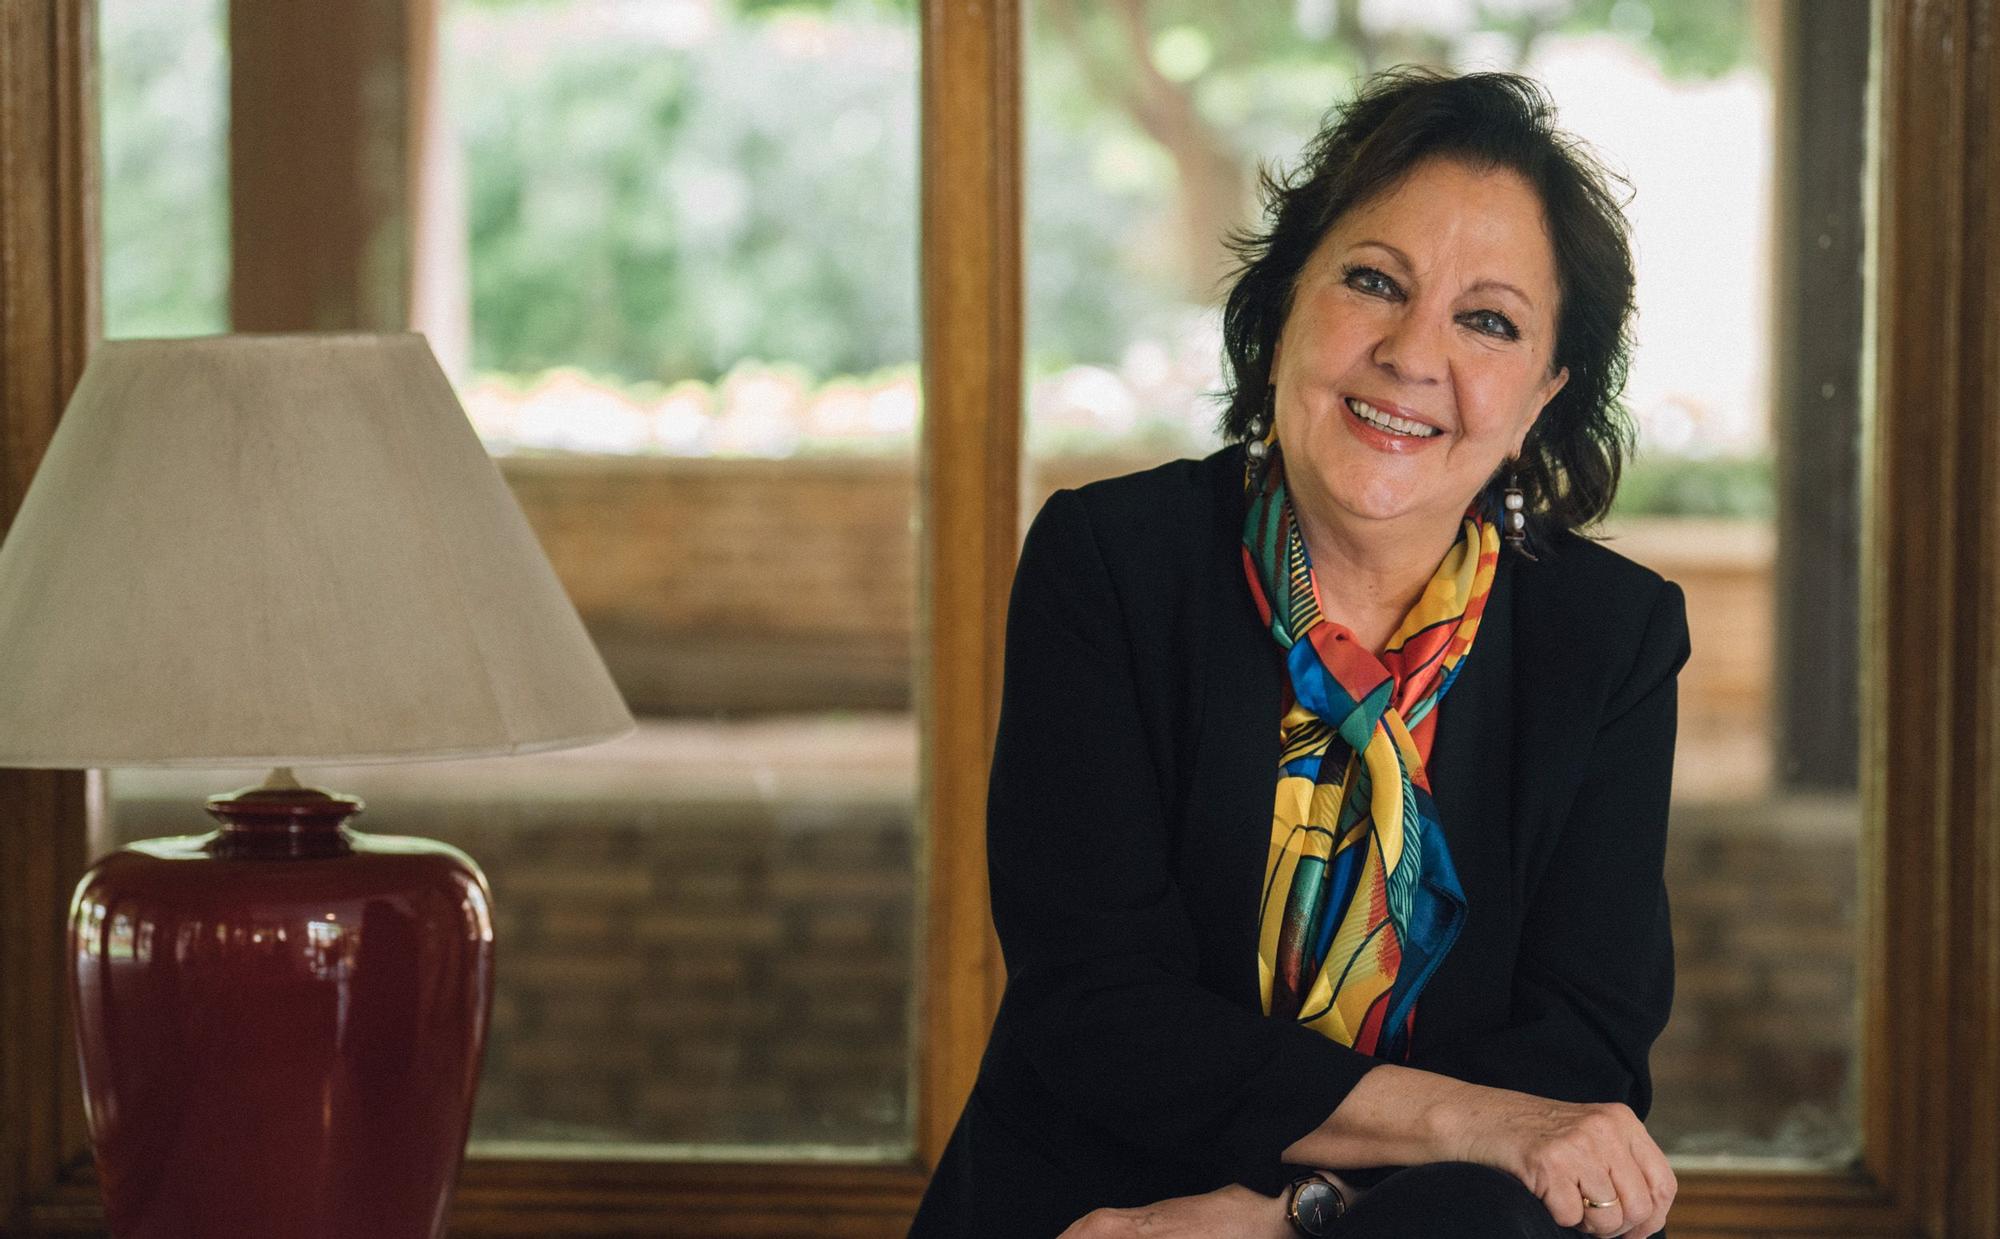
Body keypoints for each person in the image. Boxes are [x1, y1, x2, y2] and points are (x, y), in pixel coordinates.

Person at [908, 66, 1689, 1239]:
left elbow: (1580, 1048)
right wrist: (1455, 1127)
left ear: (1543, 394)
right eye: (1373, 282)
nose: (1412, 354)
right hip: (1104, 1206)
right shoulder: (1111, 562)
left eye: (1487, 320)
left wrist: (1295, 1219)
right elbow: (1100, 1008)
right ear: (1281, 309)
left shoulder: (1611, 637)